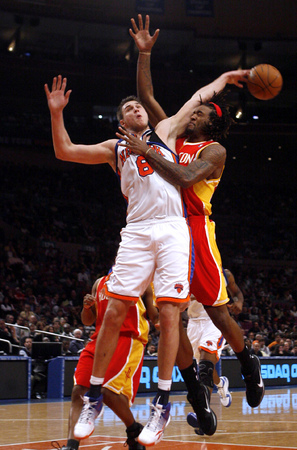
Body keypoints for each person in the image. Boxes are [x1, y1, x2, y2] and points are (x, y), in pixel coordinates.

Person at [45, 50, 248, 443]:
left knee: (171, 316)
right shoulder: (114, 149)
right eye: (130, 108)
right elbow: (64, 150)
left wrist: (225, 75)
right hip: (137, 230)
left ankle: (162, 403)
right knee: (115, 309)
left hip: (174, 230)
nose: (138, 107)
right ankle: (93, 396)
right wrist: (56, 113)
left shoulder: (167, 132)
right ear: (122, 121)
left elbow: (200, 96)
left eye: (139, 104)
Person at [118, 13, 264, 420]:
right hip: (163, 229)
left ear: (213, 123)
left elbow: (183, 179)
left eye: (201, 114)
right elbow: (147, 97)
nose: (193, 114)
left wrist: (146, 151)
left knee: (216, 311)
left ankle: (249, 366)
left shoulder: (212, 152)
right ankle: (195, 393)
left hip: (196, 230)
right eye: (193, 113)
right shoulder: (173, 136)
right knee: (168, 317)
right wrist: (144, 54)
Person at [58, 276, 158, 450]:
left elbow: (154, 315)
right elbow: (88, 320)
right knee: (78, 391)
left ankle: (134, 429)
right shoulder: (99, 283)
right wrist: (87, 308)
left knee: (108, 391)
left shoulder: (143, 282)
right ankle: (72, 446)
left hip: (128, 337)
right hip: (99, 339)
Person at [186, 268, 244, 435]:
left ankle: (203, 416)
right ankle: (221, 384)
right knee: (202, 371)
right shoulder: (186, 271)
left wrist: (238, 302)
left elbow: (237, 292)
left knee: (204, 367)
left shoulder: (225, 274)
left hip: (215, 320)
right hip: (194, 324)